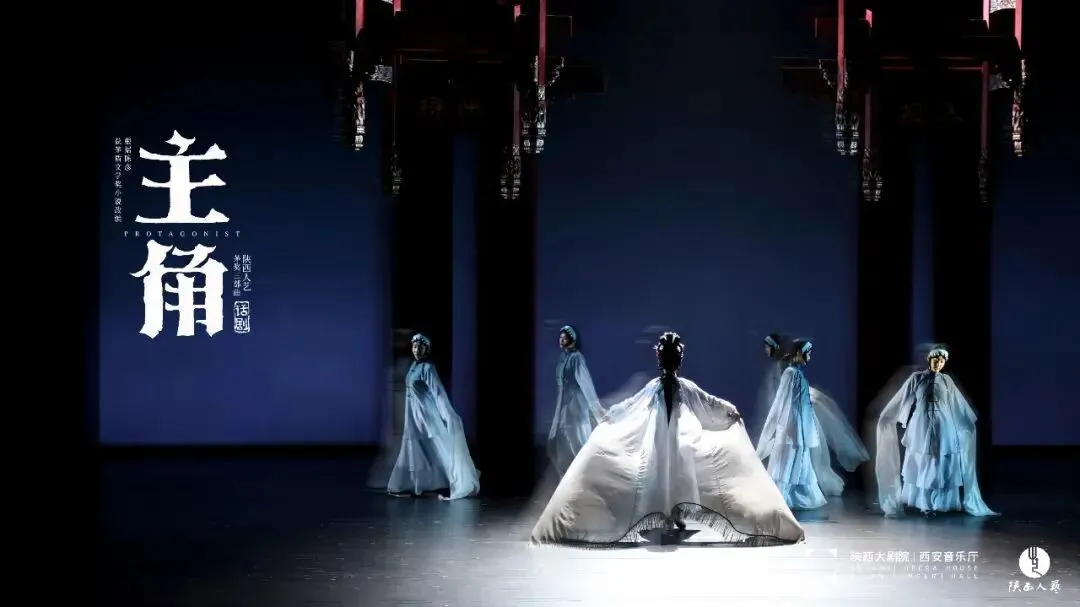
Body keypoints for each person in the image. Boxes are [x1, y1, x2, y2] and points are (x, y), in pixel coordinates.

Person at [530, 331, 804, 546]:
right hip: (662, 442)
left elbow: (705, 402)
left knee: (674, 475)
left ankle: (672, 513)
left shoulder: (677, 387)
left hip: (678, 441)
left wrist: (728, 411)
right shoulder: (662, 387)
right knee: (663, 474)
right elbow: (637, 404)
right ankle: (667, 513)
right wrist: (610, 415)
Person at [874, 346, 996, 517]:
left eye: (942, 361)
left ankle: (940, 502)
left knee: (941, 461)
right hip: (921, 425)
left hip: (943, 425)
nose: (939, 363)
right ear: (929, 360)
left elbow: (957, 403)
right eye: (936, 359)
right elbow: (902, 397)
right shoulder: (917, 378)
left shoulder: (946, 381)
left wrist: (966, 421)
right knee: (923, 460)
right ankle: (924, 502)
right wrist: (889, 415)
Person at [756, 339, 869, 510]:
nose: (809, 357)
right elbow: (780, 402)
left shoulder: (797, 373)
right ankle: (779, 497)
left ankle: (797, 497)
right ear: (799, 353)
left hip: (800, 427)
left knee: (801, 465)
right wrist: (774, 427)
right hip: (791, 428)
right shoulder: (790, 374)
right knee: (788, 464)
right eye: (807, 353)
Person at [387, 333, 480, 500]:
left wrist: (448, 415)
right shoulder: (413, 367)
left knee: (438, 447)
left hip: (425, 417)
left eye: (420, 347)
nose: (417, 350)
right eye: (415, 347)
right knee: (417, 451)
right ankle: (417, 485)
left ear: (426, 350)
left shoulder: (427, 369)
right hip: (413, 418)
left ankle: (457, 479)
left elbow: (438, 394)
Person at [547, 325, 603, 477]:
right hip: (565, 407)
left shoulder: (576, 358)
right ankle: (570, 478)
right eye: (560, 337)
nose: (561, 340)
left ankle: (585, 476)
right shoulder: (563, 358)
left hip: (576, 408)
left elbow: (586, 383)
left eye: (564, 337)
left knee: (578, 443)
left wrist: (596, 408)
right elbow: (561, 388)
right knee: (561, 445)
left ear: (572, 339)